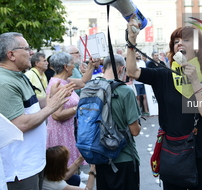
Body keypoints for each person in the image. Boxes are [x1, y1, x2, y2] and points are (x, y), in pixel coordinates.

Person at [126, 18, 202, 190]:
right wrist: (131, 41)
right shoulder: (164, 75)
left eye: (185, 40)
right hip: (174, 153)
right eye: (176, 41)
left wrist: (195, 82)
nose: (179, 44)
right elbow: (132, 71)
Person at [0, 32, 74, 190]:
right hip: (20, 169)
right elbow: (20, 124)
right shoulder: (3, 82)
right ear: (11, 55)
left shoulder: (19, 76)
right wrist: (51, 107)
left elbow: (33, 105)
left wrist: (52, 97)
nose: (31, 53)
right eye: (26, 48)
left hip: (32, 163)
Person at [95, 54, 141, 190]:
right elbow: (134, 131)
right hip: (124, 157)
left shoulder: (92, 88)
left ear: (103, 69)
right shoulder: (125, 91)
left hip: (100, 155)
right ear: (122, 69)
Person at [46, 52, 96, 167]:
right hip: (62, 133)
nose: (74, 66)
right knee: (63, 169)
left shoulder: (65, 81)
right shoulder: (57, 85)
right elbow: (57, 115)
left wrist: (91, 67)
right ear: (65, 67)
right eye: (72, 64)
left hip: (69, 130)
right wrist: (80, 107)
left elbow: (84, 82)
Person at [133, 52, 149, 116]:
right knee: (138, 97)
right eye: (137, 54)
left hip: (144, 82)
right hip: (136, 82)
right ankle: (139, 112)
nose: (138, 55)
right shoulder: (133, 63)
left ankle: (146, 110)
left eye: (139, 54)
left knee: (145, 96)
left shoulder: (142, 62)